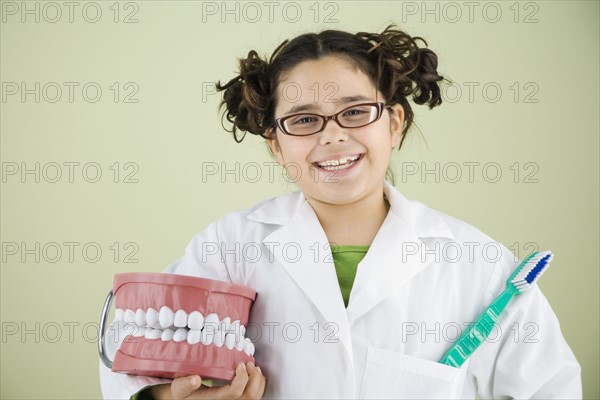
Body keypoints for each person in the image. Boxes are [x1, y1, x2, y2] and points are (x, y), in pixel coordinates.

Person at [99, 24, 582, 399]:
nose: (332, 135)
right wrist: (166, 397)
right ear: (276, 145)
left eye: (355, 111)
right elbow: (130, 359)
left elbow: (550, 387)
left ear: (394, 123)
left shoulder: (478, 266)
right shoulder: (227, 248)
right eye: (305, 120)